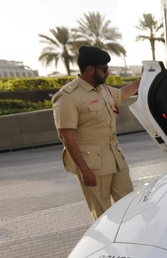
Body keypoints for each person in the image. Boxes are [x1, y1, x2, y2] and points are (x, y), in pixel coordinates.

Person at [52, 45, 141, 220]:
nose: (108, 73)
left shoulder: (103, 89)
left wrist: (142, 80)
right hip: (92, 165)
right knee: (104, 216)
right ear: (90, 69)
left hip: (115, 159)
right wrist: (84, 170)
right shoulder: (69, 97)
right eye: (104, 69)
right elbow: (66, 137)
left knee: (130, 206)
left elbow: (122, 94)